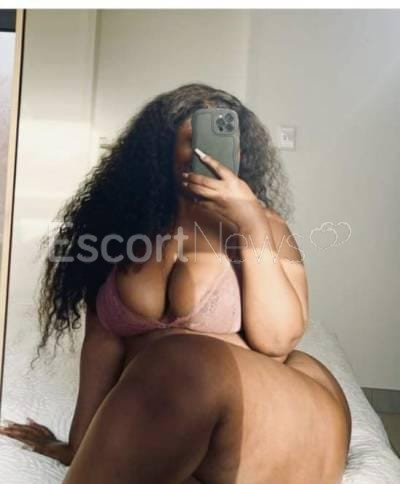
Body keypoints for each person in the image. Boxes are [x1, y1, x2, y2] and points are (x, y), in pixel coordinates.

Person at [0, 83, 352, 483]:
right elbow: (101, 345)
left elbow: (277, 341)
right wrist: (79, 446)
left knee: (183, 357)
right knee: (171, 363)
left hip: (281, 414)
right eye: (194, 140)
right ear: (161, 152)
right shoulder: (119, 232)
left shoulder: (265, 225)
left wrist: (250, 223)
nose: (211, 154)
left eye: (228, 142)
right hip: (179, 419)